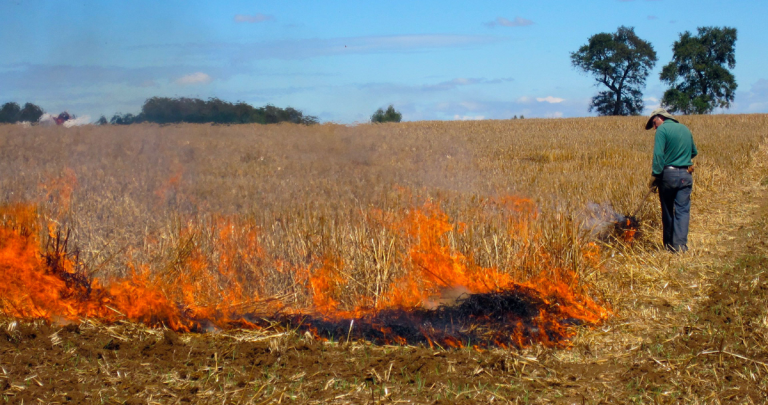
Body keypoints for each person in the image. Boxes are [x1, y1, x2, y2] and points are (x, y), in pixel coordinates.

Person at [645, 108, 697, 252]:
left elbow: (658, 156)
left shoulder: (662, 130)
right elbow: (694, 152)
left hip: (668, 175)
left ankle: (669, 246)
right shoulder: (685, 128)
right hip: (686, 175)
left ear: (660, 117)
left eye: (654, 122)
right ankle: (680, 246)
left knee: (667, 210)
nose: (654, 126)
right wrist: (681, 158)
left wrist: (655, 176)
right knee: (683, 210)